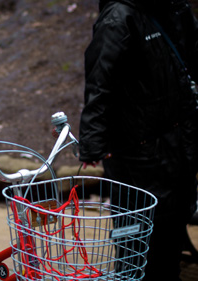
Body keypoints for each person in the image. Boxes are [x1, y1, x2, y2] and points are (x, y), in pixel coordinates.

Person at [79, 0, 198, 280]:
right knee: (136, 237)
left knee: (172, 229)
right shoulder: (118, 19)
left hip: (178, 147)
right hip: (136, 154)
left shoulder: (175, 9)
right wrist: (92, 143)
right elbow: (99, 83)